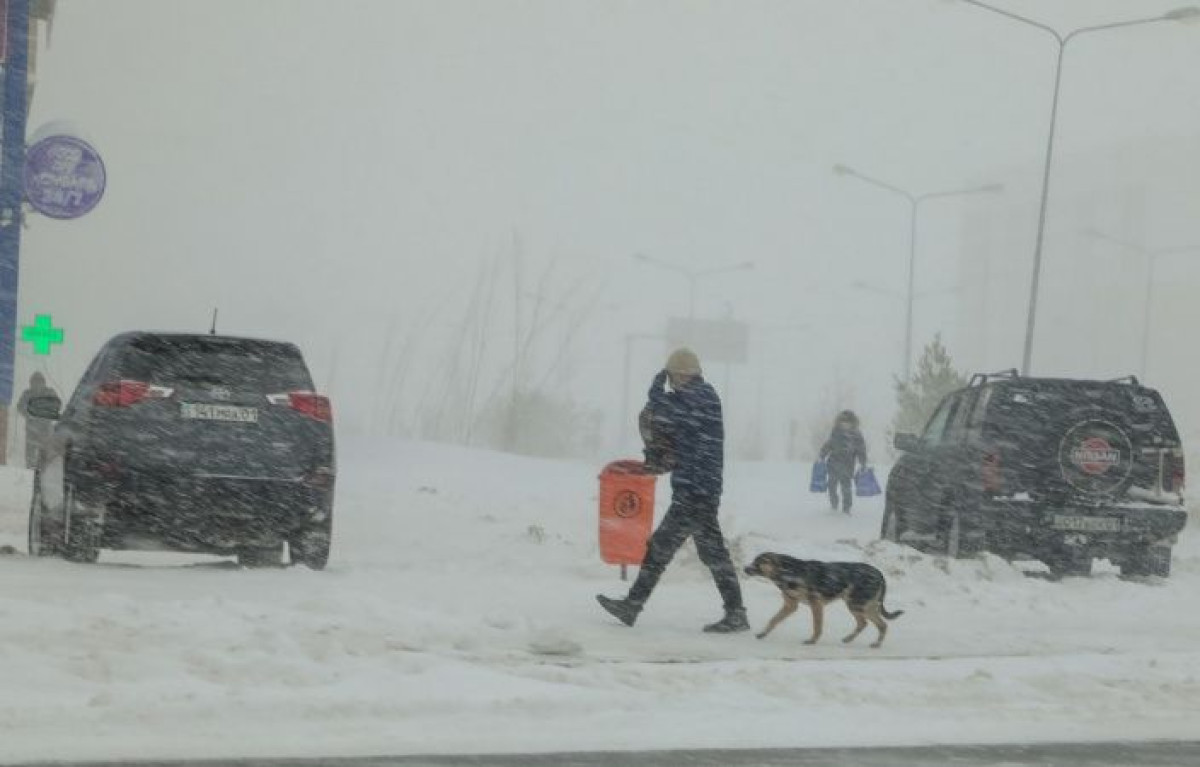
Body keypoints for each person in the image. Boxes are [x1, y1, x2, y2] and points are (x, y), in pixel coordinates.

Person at [597, 348, 748, 634]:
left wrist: (655, 386)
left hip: (697, 490)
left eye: (674, 375)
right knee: (711, 554)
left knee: (662, 549)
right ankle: (735, 612)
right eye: (671, 377)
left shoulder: (702, 397)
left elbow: (662, 410)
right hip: (696, 487)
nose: (673, 381)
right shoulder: (692, 399)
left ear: (687, 374)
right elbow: (665, 418)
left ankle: (633, 605)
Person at [819, 410, 868, 514]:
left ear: (852, 423)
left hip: (848, 465)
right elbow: (829, 444)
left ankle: (847, 508)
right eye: (843, 422)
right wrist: (822, 454)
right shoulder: (836, 431)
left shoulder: (856, 435)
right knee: (831, 486)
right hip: (833, 464)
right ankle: (834, 503)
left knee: (846, 487)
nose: (845, 424)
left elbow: (861, 450)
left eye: (847, 422)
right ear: (839, 422)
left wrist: (863, 462)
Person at [15, 372, 59, 469]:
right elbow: (20, 406)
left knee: (43, 450)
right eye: (35, 382)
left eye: (39, 382)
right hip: (33, 427)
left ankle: (41, 468)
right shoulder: (28, 393)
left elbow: (56, 405)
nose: (37, 384)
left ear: (43, 382)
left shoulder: (48, 392)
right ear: (31, 383)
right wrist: (29, 415)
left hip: (44, 428)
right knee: (32, 451)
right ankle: (32, 468)